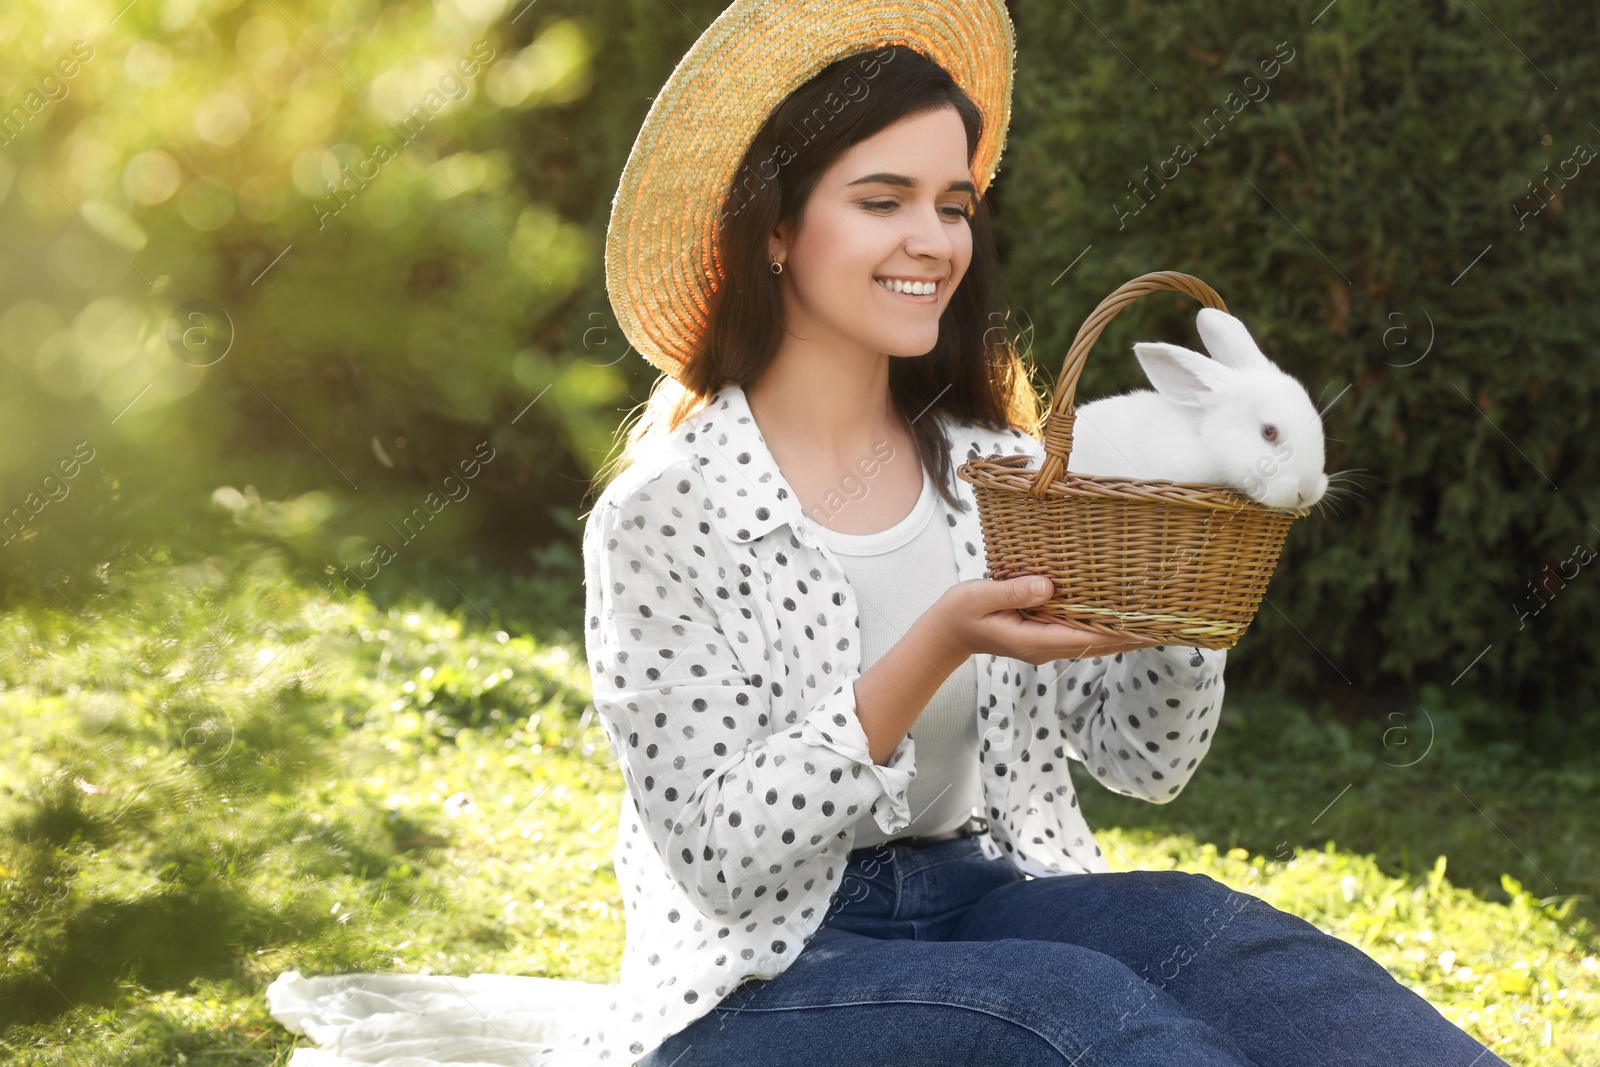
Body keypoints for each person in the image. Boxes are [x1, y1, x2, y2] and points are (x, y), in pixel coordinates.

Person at [267, 2, 1511, 1064]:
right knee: (1073, 1012)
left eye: (953, 203)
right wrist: (931, 647)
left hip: (990, 895)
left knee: (1244, 945)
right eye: (882, 199)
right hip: (755, 977)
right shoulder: (668, 514)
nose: (933, 240)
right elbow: (718, 857)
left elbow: (1140, 760)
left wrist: (1189, 609)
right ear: (773, 228)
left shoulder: (997, 472)